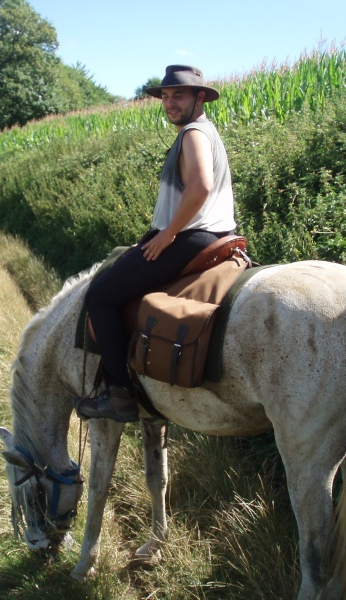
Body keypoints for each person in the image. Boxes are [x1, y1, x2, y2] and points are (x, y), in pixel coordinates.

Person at [74, 65, 237, 423]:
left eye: (178, 94)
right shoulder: (205, 132)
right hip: (211, 234)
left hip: (192, 237)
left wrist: (167, 234)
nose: (169, 102)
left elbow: (201, 187)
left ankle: (118, 393)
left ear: (200, 97)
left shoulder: (194, 133)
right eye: (165, 96)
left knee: (99, 296)